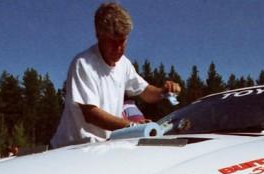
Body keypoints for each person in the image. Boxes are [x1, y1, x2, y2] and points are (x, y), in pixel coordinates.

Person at [50, 2, 181, 148]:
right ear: (98, 35)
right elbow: (91, 114)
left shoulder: (124, 64)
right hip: (71, 149)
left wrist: (163, 91)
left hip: (101, 147)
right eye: (112, 41)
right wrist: (133, 126)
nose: (118, 49)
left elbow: (145, 92)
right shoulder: (83, 64)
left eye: (122, 41)